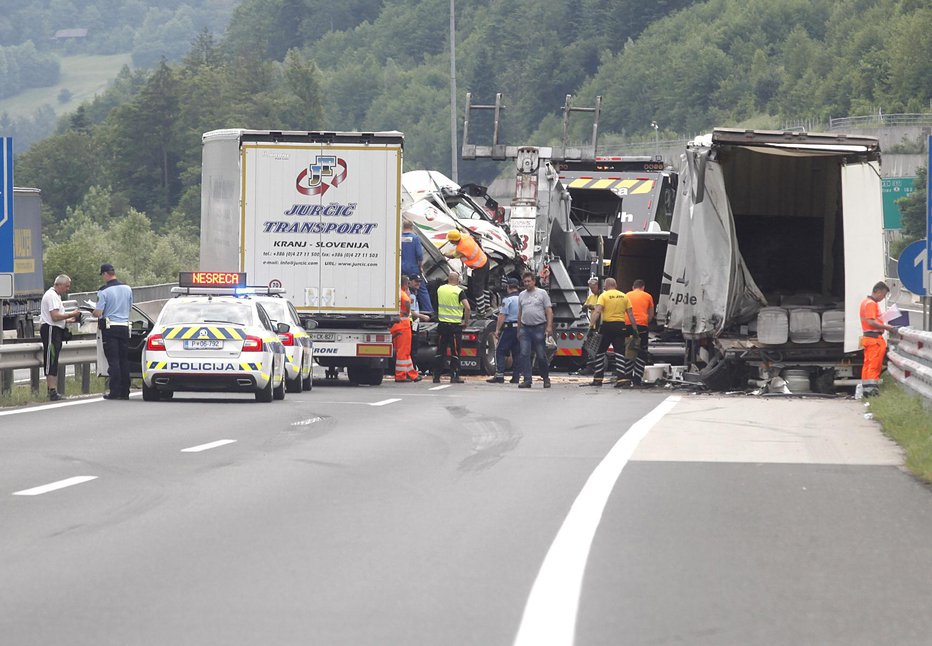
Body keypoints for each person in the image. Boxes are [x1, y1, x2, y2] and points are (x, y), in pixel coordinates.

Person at [583, 277, 637, 388]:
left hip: (607, 327)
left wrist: (591, 326)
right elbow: (630, 314)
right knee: (620, 353)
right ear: (615, 285)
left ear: (607, 286)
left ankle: (598, 378)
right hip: (620, 327)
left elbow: (597, 311)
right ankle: (621, 378)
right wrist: (635, 329)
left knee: (600, 352)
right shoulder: (624, 296)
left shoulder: (604, 296)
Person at [93, 263, 134, 400]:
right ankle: (125, 391)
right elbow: (129, 307)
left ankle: (115, 391)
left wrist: (93, 311)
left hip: (110, 329)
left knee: (114, 361)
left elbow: (99, 312)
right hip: (124, 327)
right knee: (124, 360)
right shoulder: (127, 289)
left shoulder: (103, 291)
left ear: (105, 274)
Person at [39, 274, 82, 401]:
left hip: (55, 329)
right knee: (51, 359)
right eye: (66, 286)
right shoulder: (52, 295)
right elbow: (55, 317)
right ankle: (52, 391)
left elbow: (57, 318)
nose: (68, 289)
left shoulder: (55, 296)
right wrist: (72, 313)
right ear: (59, 284)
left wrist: (71, 320)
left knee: (54, 359)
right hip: (51, 329)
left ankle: (52, 390)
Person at [516, 271, 554, 389]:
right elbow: (520, 312)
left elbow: (548, 311)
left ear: (534, 281)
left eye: (529, 281)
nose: (526, 283)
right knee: (524, 354)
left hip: (539, 327)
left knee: (541, 355)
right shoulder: (521, 295)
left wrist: (549, 326)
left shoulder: (542, 293)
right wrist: (519, 329)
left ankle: (546, 378)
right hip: (525, 328)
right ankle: (527, 379)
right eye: (525, 281)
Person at [433, 270, 471, 384]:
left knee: (440, 351)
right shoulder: (459, 291)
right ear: (457, 280)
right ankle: (454, 376)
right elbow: (467, 308)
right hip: (455, 326)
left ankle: (436, 376)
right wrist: (466, 322)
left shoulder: (440, 289)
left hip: (442, 325)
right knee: (455, 352)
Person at [859, 281, 899, 383]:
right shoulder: (871, 304)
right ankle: (872, 390)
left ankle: (866, 389)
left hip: (868, 338)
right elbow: (871, 322)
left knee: (867, 365)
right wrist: (887, 327)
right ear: (878, 292)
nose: (883, 297)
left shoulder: (865, 302)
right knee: (874, 366)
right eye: (884, 294)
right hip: (874, 340)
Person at [443, 229, 489, 314]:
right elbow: (466, 231)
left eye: (450, 240)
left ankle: (482, 312)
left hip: (479, 267)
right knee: (485, 287)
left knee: (477, 291)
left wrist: (444, 253)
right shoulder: (466, 237)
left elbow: (452, 256)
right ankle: (487, 307)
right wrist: (460, 228)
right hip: (485, 261)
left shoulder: (461, 248)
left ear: (453, 241)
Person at [486, 277, 521, 384]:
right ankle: (516, 376)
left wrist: (497, 330)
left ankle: (499, 375)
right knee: (517, 352)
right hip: (520, 328)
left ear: (508, 287)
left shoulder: (507, 300)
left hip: (509, 329)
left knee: (500, 350)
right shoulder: (522, 298)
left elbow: (502, 315)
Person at [624, 279, 656, 386]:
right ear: (643, 287)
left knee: (628, 350)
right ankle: (637, 379)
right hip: (642, 326)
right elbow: (651, 314)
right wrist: (646, 322)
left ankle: (627, 377)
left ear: (633, 287)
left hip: (628, 324)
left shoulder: (627, 295)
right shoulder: (648, 296)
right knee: (641, 352)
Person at [390, 275, 421, 383]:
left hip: (396, 325)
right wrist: (407, 312)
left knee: (405, 352)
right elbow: (407, 302)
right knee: (403, 351)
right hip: (403, 325)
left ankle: (412, 374)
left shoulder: (395, 293)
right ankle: (400, 375)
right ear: (405, 284)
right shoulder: (403, 293)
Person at [401, 220, 432, 314]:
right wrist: (420, 265)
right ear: (412, 227)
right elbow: (419, 254)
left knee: (402, 287)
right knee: (421, 288)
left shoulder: (398, 237)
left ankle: (404, 309)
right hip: (413, 267)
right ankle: (428, 311)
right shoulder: (415, 238)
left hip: (400, 268)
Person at [407, 274, 431, 373]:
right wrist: (423, 317)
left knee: (414, 348)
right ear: (410, 282)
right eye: (416, 281)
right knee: (413, 348)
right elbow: (411, 311)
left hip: (413, 323)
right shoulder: (411, 295)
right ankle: (412, 368)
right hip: (411, 324)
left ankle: (413, 368)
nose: (418, 283)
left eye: (420, 281)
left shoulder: (414, 293)